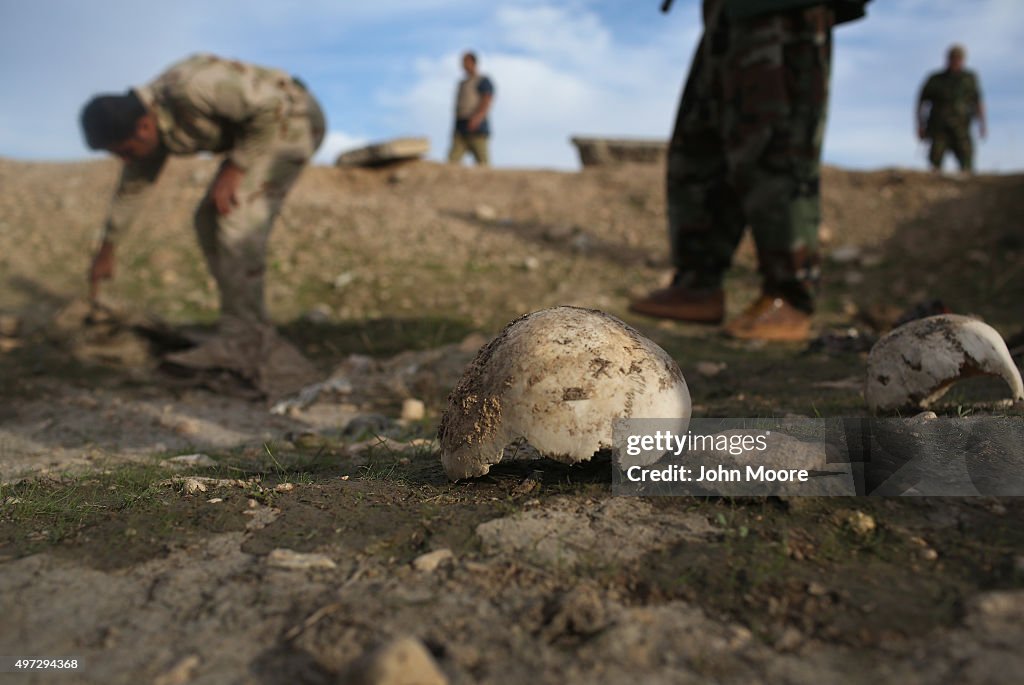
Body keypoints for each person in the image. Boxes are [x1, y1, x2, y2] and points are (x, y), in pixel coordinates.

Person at [81, 53, 326, 388]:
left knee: (236, 218)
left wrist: (236, 166)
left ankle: (247, 343)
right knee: (208, 220)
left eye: (124, 151)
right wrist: (107, 249)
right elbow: (131, 191)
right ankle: (240, 330)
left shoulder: (191, 89)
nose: (124, 160)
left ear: (144, 126)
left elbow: (270, 105)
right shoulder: (149, 130)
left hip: (291, 119)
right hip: (263, 130)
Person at [630, 0, 870, 342]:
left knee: (776, 148)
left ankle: (790, 296)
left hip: (784, 12)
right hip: (725, 14)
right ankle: (698, 284)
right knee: (698, 147)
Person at [917, 44, 986, 173]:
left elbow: (978, 101)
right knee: (935, 163)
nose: (955, 61)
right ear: (947, 59)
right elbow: (921, 102)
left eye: (959, 58)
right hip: (939, 128)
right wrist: (920, 125)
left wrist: (983, 124)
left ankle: (966, 189)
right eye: (953, 58)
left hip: (962, 127)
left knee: (967, 162)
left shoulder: (969, 78)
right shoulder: (935, 79)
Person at [447, 52, 495, 166]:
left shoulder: (483, 80)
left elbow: (487, 99)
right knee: (452, 162)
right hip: (461, 126)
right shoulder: (462, 83)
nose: (463, 65)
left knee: (483, 162)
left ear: (473, 62)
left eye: (466, 62)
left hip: (477, 127)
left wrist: (477, 117)